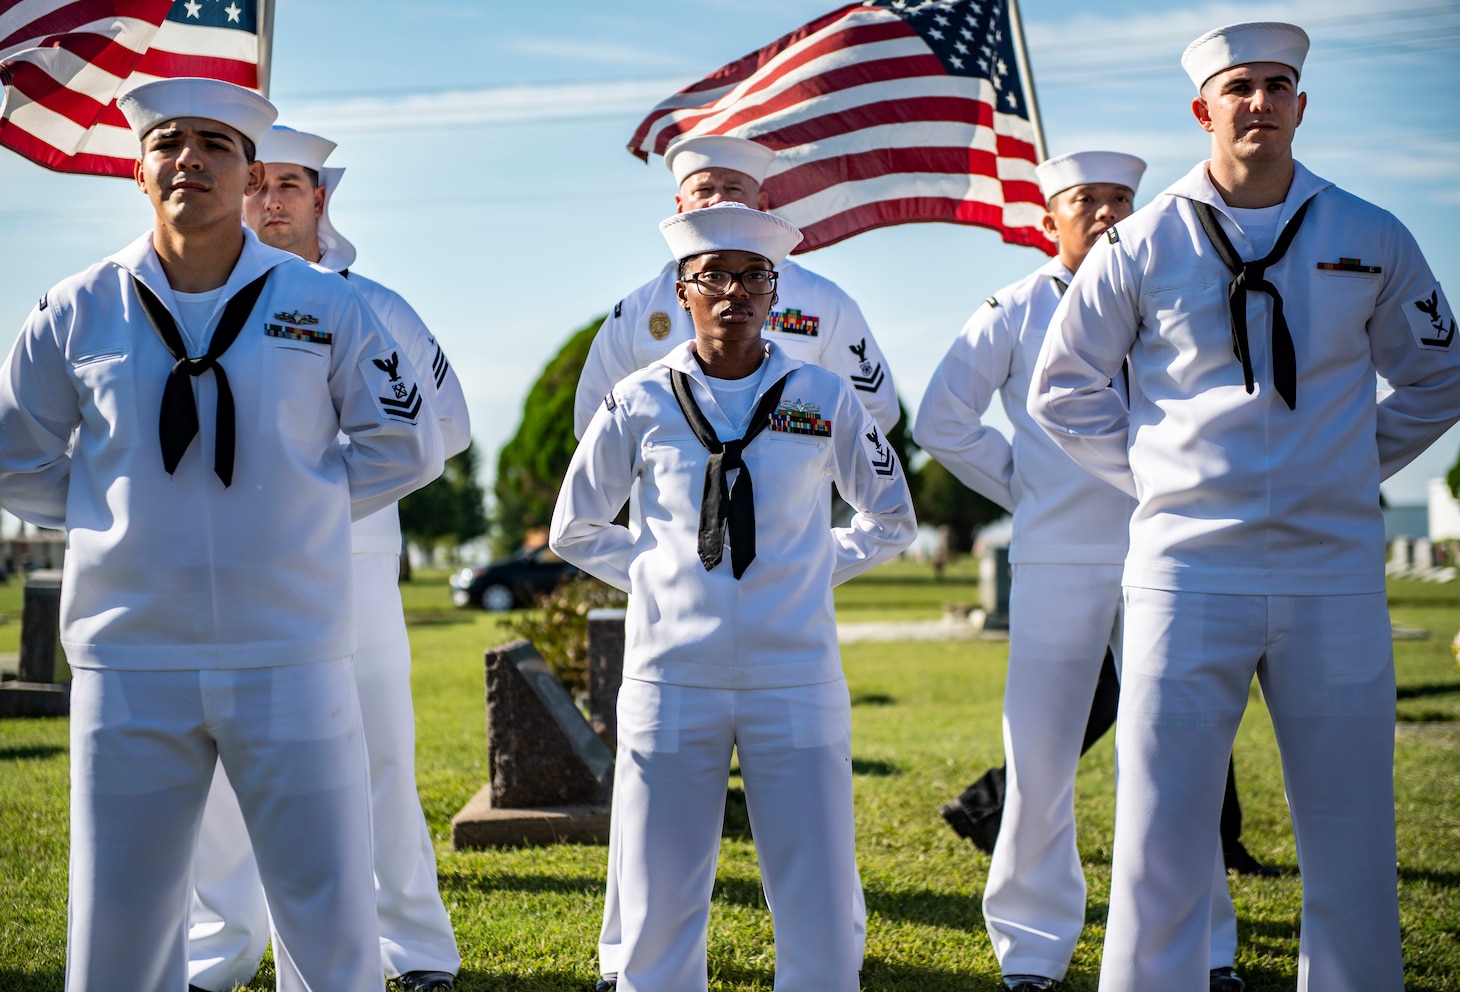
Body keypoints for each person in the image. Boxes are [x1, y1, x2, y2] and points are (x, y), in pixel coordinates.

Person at [1030, 22, 1460, 991]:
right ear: (1203, 108)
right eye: (1238, 87)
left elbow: (1438, 378)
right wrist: (1160, 479)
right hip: (1185, 570)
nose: (1257, 101)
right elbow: (1061, 389)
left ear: (1299, 105)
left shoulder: (1368, 232)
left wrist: (1346, 468)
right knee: (1158, 838)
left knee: (1351, 837)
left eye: (1276, 85)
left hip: (1332, 571)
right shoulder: (1140, 242)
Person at [0, 78, 444, 991]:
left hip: (291, 651)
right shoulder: (77, 308)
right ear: (138, 168)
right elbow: (17, 458)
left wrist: (295, 512)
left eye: (215, 144)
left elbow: (408, 444)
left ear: (246, 175)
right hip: (129, 661)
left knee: (332, 936)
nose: (189, 159)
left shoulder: (326, 304)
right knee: (117, 936)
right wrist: (114, 519)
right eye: (168, 142)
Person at [551, 200, 916, 992]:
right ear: (681, 293)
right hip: (671, 676)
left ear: (774, 292)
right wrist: (659, 570)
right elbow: (573, 528)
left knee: (816, 895)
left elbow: (891, 518)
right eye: (713, 276)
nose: (734, 293)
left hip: (797, 677)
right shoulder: (638, 399)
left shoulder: (822, 393)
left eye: (754, 277)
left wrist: (812, 566)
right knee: (658, 904)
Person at [916, 152, 1245, 992]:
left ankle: (1206, 950)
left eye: (1119, 201)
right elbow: (942, 418)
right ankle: (1031, 953)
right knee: (1040, 761)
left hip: (1166, 554)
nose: (1104, 214)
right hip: (1058, 558)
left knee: (1179, 758)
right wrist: (1023, 484)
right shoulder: (1015, 309)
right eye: (1085, 201)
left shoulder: (1173, 295)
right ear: (1048, 219)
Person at [185, 125, 470, 992]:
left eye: (290, 185)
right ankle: (218, 951)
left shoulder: (374, 304)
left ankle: (410, 948)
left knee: (377, 752)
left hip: (349, 555)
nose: (271, 199)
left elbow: (442, 425)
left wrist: (312, 492)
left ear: (321, 201)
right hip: (218, 565)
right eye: (257, 181)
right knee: (218, 767)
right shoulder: (193, 301)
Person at [573, 134, 898, 439]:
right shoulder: (635, 310)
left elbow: (872, 413)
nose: (718, 200)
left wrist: (794, 450)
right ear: (680, 205)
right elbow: (595, 421)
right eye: (703, 190)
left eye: (733, 188)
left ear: (762, 203)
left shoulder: (824, 300)